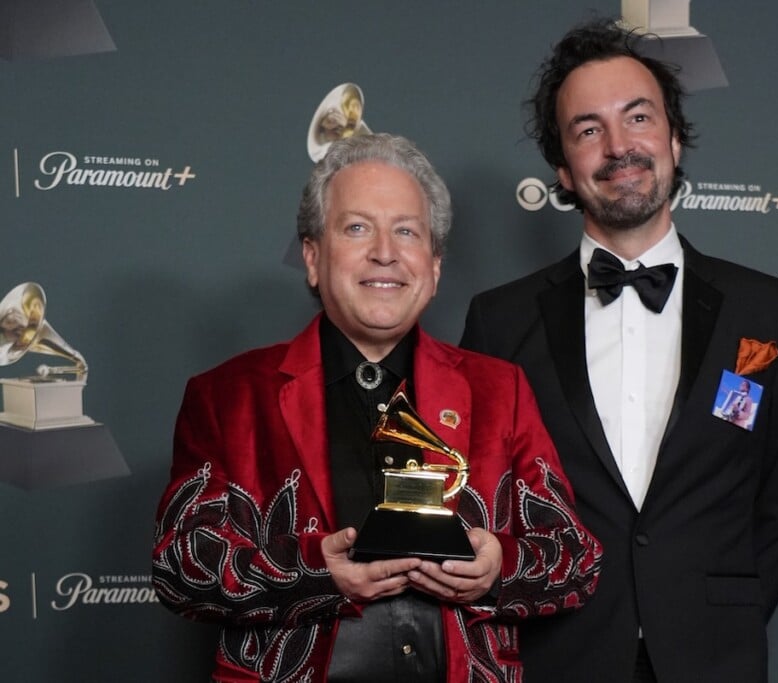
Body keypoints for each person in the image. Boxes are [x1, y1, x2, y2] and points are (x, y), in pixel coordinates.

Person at [152, 133, 601, 683]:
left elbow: (575, 559)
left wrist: (496, 568)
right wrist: (314, 571)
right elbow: (178, 567)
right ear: (312, 257)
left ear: (434, 266)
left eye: (407, 231)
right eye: (357, 228)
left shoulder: (498, 389)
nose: (385, 251)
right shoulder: (228, 395)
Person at [460, 19, 778, 683]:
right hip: (557, 656)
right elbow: (482, 504)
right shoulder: (498, 322)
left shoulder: (770, 312)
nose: (619, 146)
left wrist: (721, 620)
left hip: (715, 660)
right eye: (588, 129)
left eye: (638, 117)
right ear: (563, 170)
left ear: (675, 139)